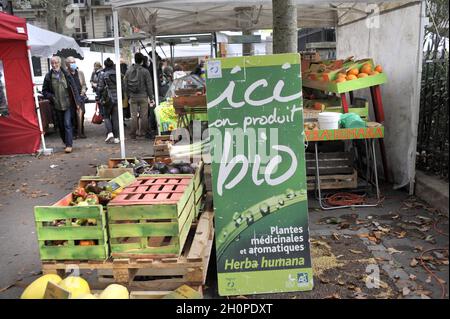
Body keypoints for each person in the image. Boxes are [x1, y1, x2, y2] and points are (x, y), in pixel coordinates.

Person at [42, 56, 82, 153]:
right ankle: (65, 141)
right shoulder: (48, 76)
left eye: (56, 63)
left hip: (68, 104)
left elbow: (74, 89)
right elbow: (44, 91)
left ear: (60, 63)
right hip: (56, 105)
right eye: (52, 63)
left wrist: (77, 102)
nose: (54, 65)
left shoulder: (66, 74)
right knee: (61, 125)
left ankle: (69, 145)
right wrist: (51, 97)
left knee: (67, 124)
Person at [124, 52, 154, 140]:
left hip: (132, 96)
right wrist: (151, 97)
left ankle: (133, 133)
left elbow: (125, 84)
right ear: (142, 61)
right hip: (143, 96)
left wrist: (128, 95)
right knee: (143, 115)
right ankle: (143, 132)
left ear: (135, 60)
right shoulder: (145, 71)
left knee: (133, 115)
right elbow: (149, 85)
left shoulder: (128, 70)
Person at [97, 58, 120, 144]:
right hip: (117, 99)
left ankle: (110, 133)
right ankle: (117, 137)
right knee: (115, 118)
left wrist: (99, 97)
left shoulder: (103, 74)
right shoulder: (118, 73)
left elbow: (100, 87)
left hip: (107, 99)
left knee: (106, 116)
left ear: (105, 65)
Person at [65, 56, 87, 139]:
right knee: (73, 115)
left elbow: (84, 84)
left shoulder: (80, 73)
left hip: (80, 97)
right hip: (71, 98)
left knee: (82, 114)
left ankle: (81, 131)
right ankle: (74, 133)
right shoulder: (66, 74)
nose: (73, 64)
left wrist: (83, 91)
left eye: (74, 62)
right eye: (71, 62)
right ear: (67, 64)